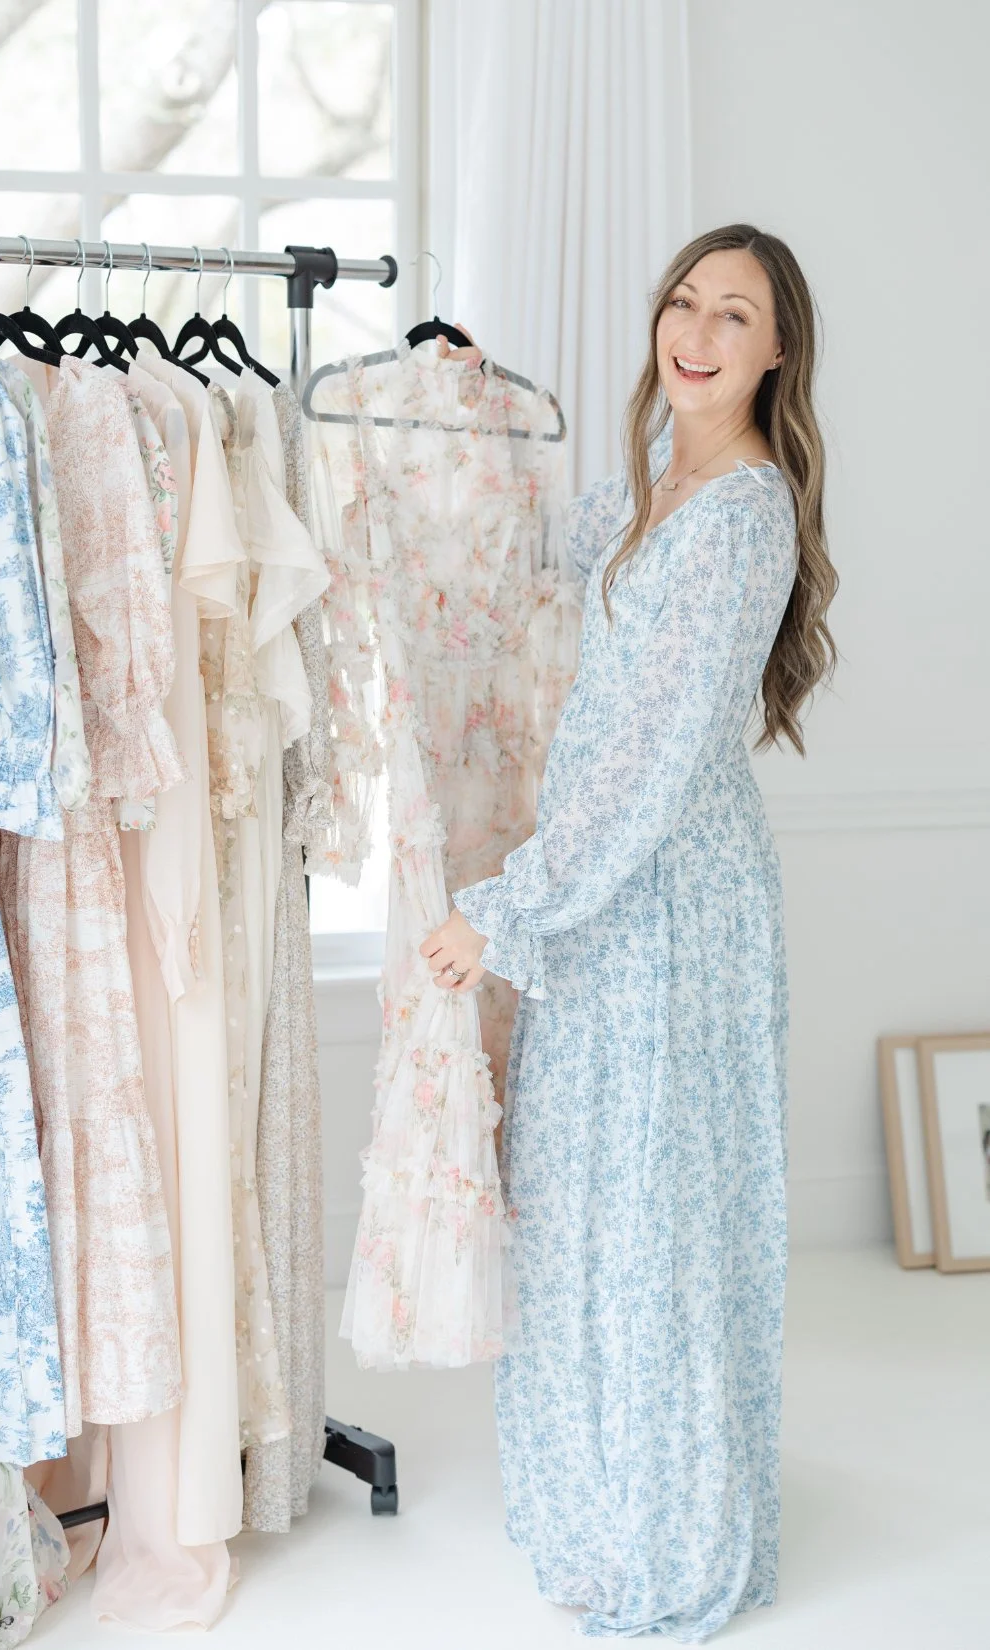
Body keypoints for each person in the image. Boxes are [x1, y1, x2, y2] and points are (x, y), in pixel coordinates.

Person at [421, 222, 837, 1639]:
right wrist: (475, 410)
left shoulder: (743, 516)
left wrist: (508, 908)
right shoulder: (661, 490)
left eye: (738, 313)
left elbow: (653, 761)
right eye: (684, 299)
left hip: (667, 913)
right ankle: (603, 1502)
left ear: (777, 353)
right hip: (608, 907)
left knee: (656, 1223)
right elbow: (536, 541)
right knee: (588, 1210)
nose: (700, 329)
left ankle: (669, 1529)